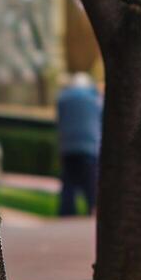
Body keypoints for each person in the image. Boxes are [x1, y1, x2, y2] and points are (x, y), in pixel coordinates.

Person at [55, 72, 102, 217]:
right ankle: (93, 211)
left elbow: (60, 122)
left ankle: (66, 214)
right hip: (90, 147)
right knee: (91, 185)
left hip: (68, 146)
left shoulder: (63, 98)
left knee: (68, 185)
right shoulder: (95, 99)